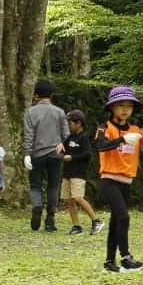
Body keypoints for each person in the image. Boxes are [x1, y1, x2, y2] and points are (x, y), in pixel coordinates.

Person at [93, 85, 143, 272]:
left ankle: (109, 262)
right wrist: (121, 140)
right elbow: (101, 146)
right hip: (109, 180)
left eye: (129, 106)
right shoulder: (105, 127)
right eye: (120, 105)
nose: (125, 110)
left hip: (127, 182)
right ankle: (126, 257)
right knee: (123, 216)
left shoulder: (136, 130)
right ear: (112, 107)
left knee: (116, 221)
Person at [23, 79, 69, 232]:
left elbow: (29, 135)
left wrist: (27, 154)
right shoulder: (59, 112)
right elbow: (66, 135)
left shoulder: (30, 112)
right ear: (51, 95)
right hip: (56, 153)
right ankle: (50, 219)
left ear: (36, 95)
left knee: (36, 185)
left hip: (37, 153)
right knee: (53, 185)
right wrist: (62, 145)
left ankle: (37, 206)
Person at [62, 109, 103, 236]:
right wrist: (59, 148)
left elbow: (87, 154)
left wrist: (72, 158)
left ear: (78, 123)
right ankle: (76, 226)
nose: (69, 125)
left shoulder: (83, 138)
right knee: (69, 200)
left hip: (78, 173)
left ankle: (96, 221)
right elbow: (63, 148)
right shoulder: (70, 137)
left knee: (78, 198)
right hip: (67, 173)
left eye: (71, 123)